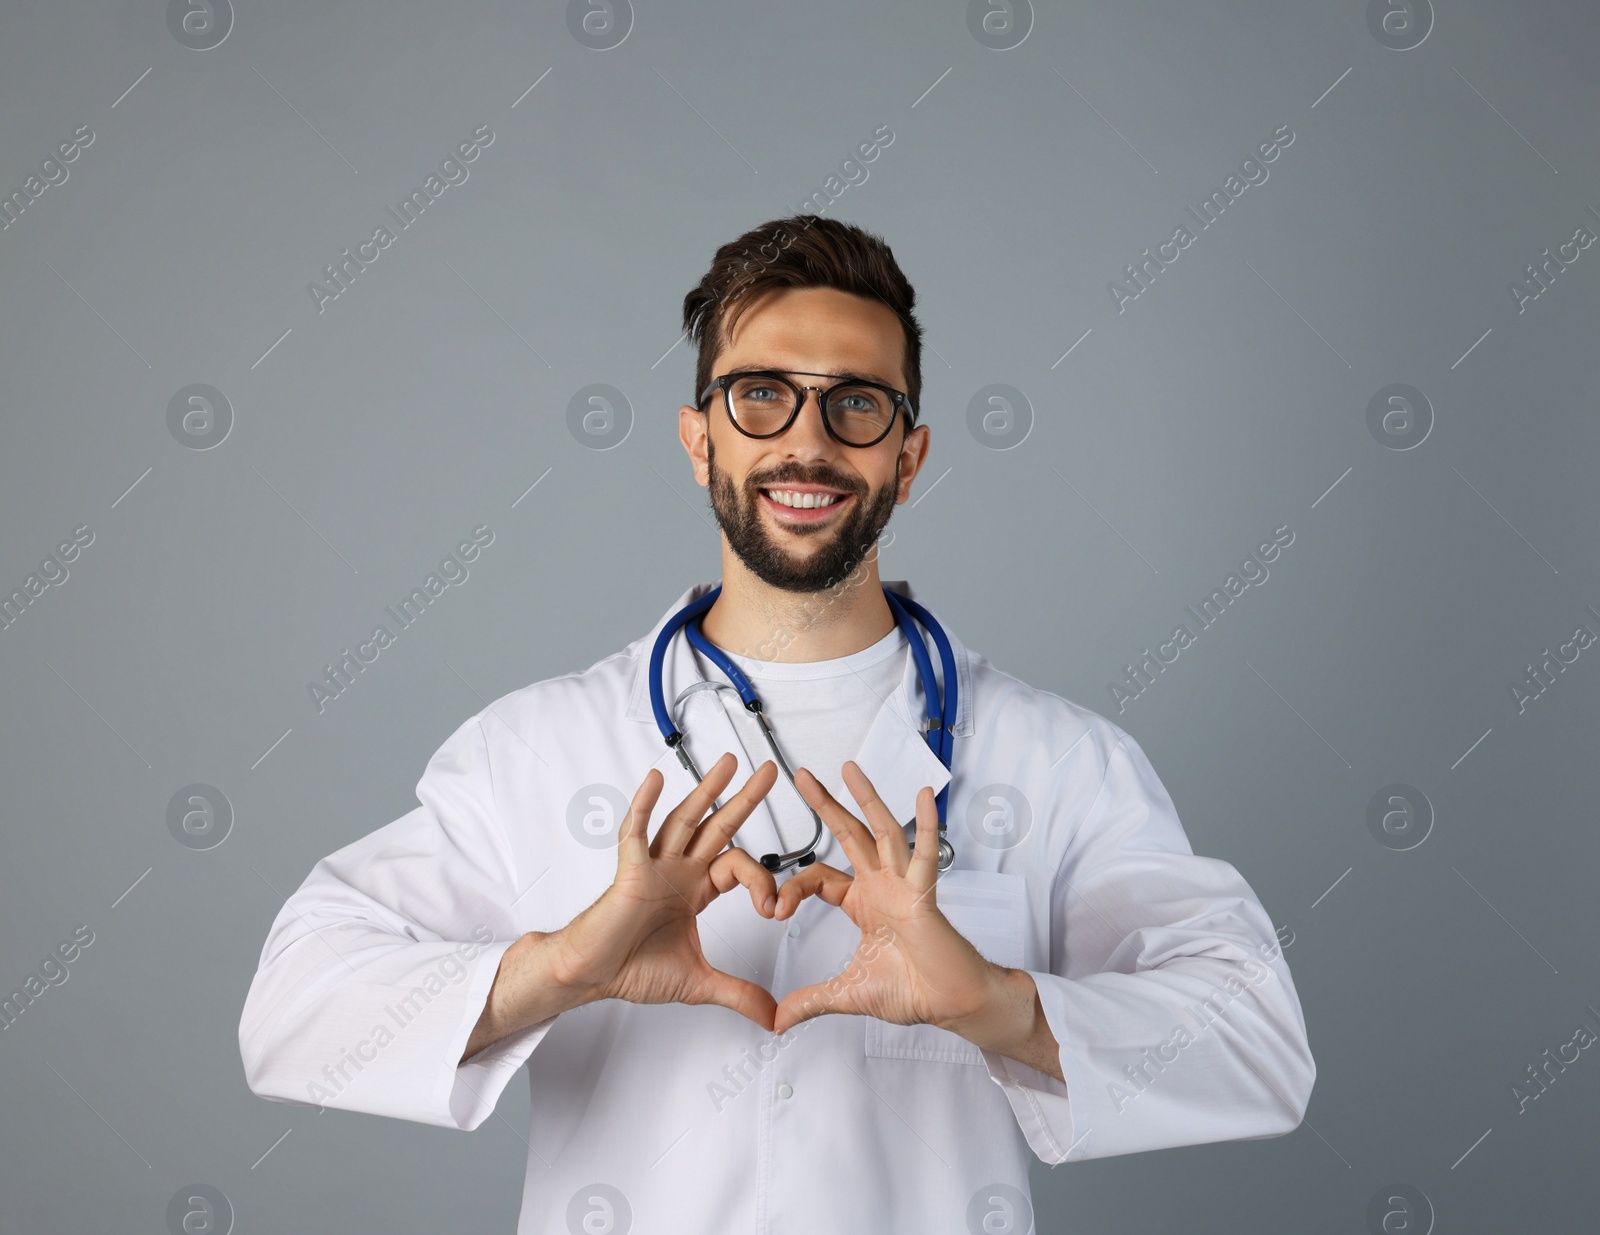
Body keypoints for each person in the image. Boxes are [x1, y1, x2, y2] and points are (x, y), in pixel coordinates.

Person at [239, 215, 1315, 1232]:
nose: (807, 441)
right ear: (697, 438)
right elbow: (292, 1008)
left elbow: (1259, 1045)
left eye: (857, 403)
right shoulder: (539, 746)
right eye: (761, 395)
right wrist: (565, 964)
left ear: (910, 453)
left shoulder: (1060, 759)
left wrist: (996, 1003)